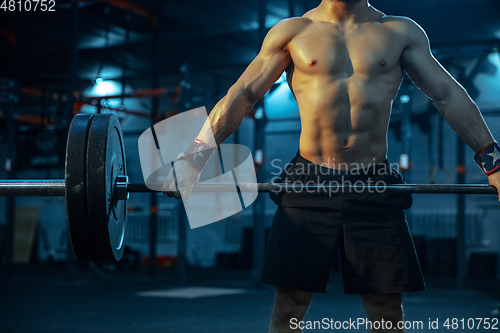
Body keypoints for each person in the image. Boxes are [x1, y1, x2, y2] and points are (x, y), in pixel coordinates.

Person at [163, 0, 500, 332]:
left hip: (374, 181)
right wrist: (194, 158)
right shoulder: (292, 32)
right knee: (289, 306)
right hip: (308, 179)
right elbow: (243, 95)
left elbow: (446, 95)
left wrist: (494, 164)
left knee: (386, 309)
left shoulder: (400, 32)